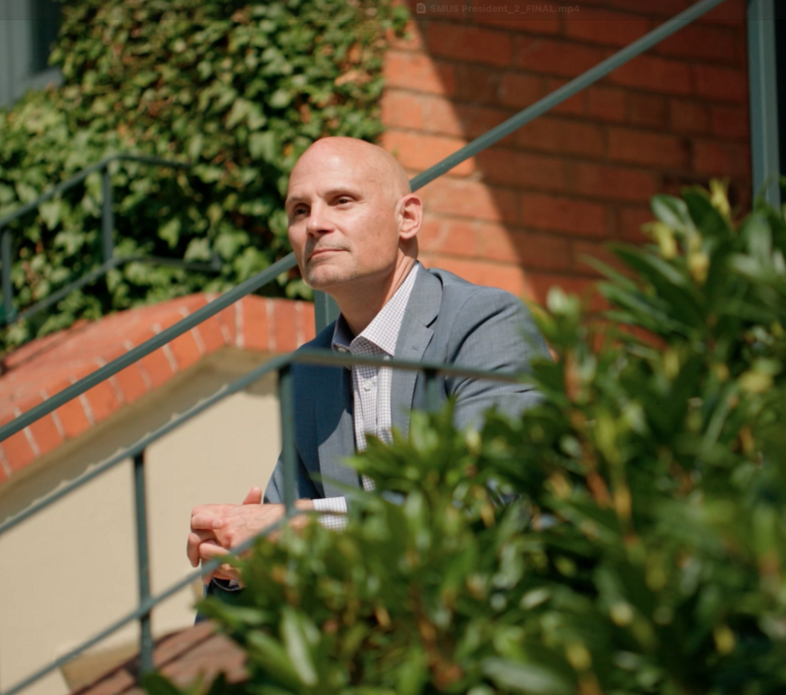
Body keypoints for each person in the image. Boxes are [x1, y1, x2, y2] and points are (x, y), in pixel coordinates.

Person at [186, 137, 548, 589]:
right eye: (299, 211)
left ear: (408, 217)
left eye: (341, 201)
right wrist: (236, 564)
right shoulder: (311, 367)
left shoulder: (484, 322)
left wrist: (299, 528)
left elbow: (486, 494)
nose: (315, 224)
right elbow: (281, 515)